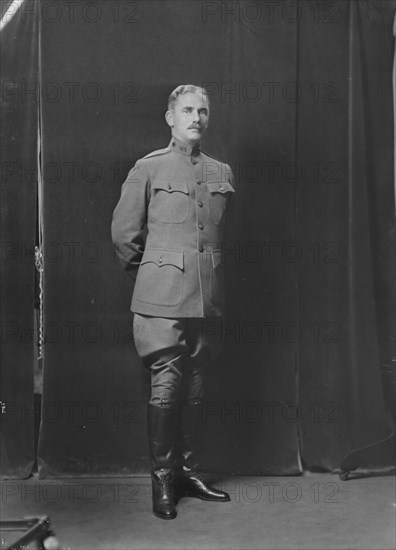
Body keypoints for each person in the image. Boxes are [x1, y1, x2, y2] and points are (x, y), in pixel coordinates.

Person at [111, 84, 235, 519]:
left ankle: (186, 472)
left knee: (196, 385)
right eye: (187, 110)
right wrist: (154, 277)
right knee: (166, 386)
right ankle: (162, 481)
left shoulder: (222, 171)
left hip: (208, 298)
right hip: (161, 300)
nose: (196, 117)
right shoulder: (149, 168)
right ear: (170, 117)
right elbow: (125, 237)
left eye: (203, 111)